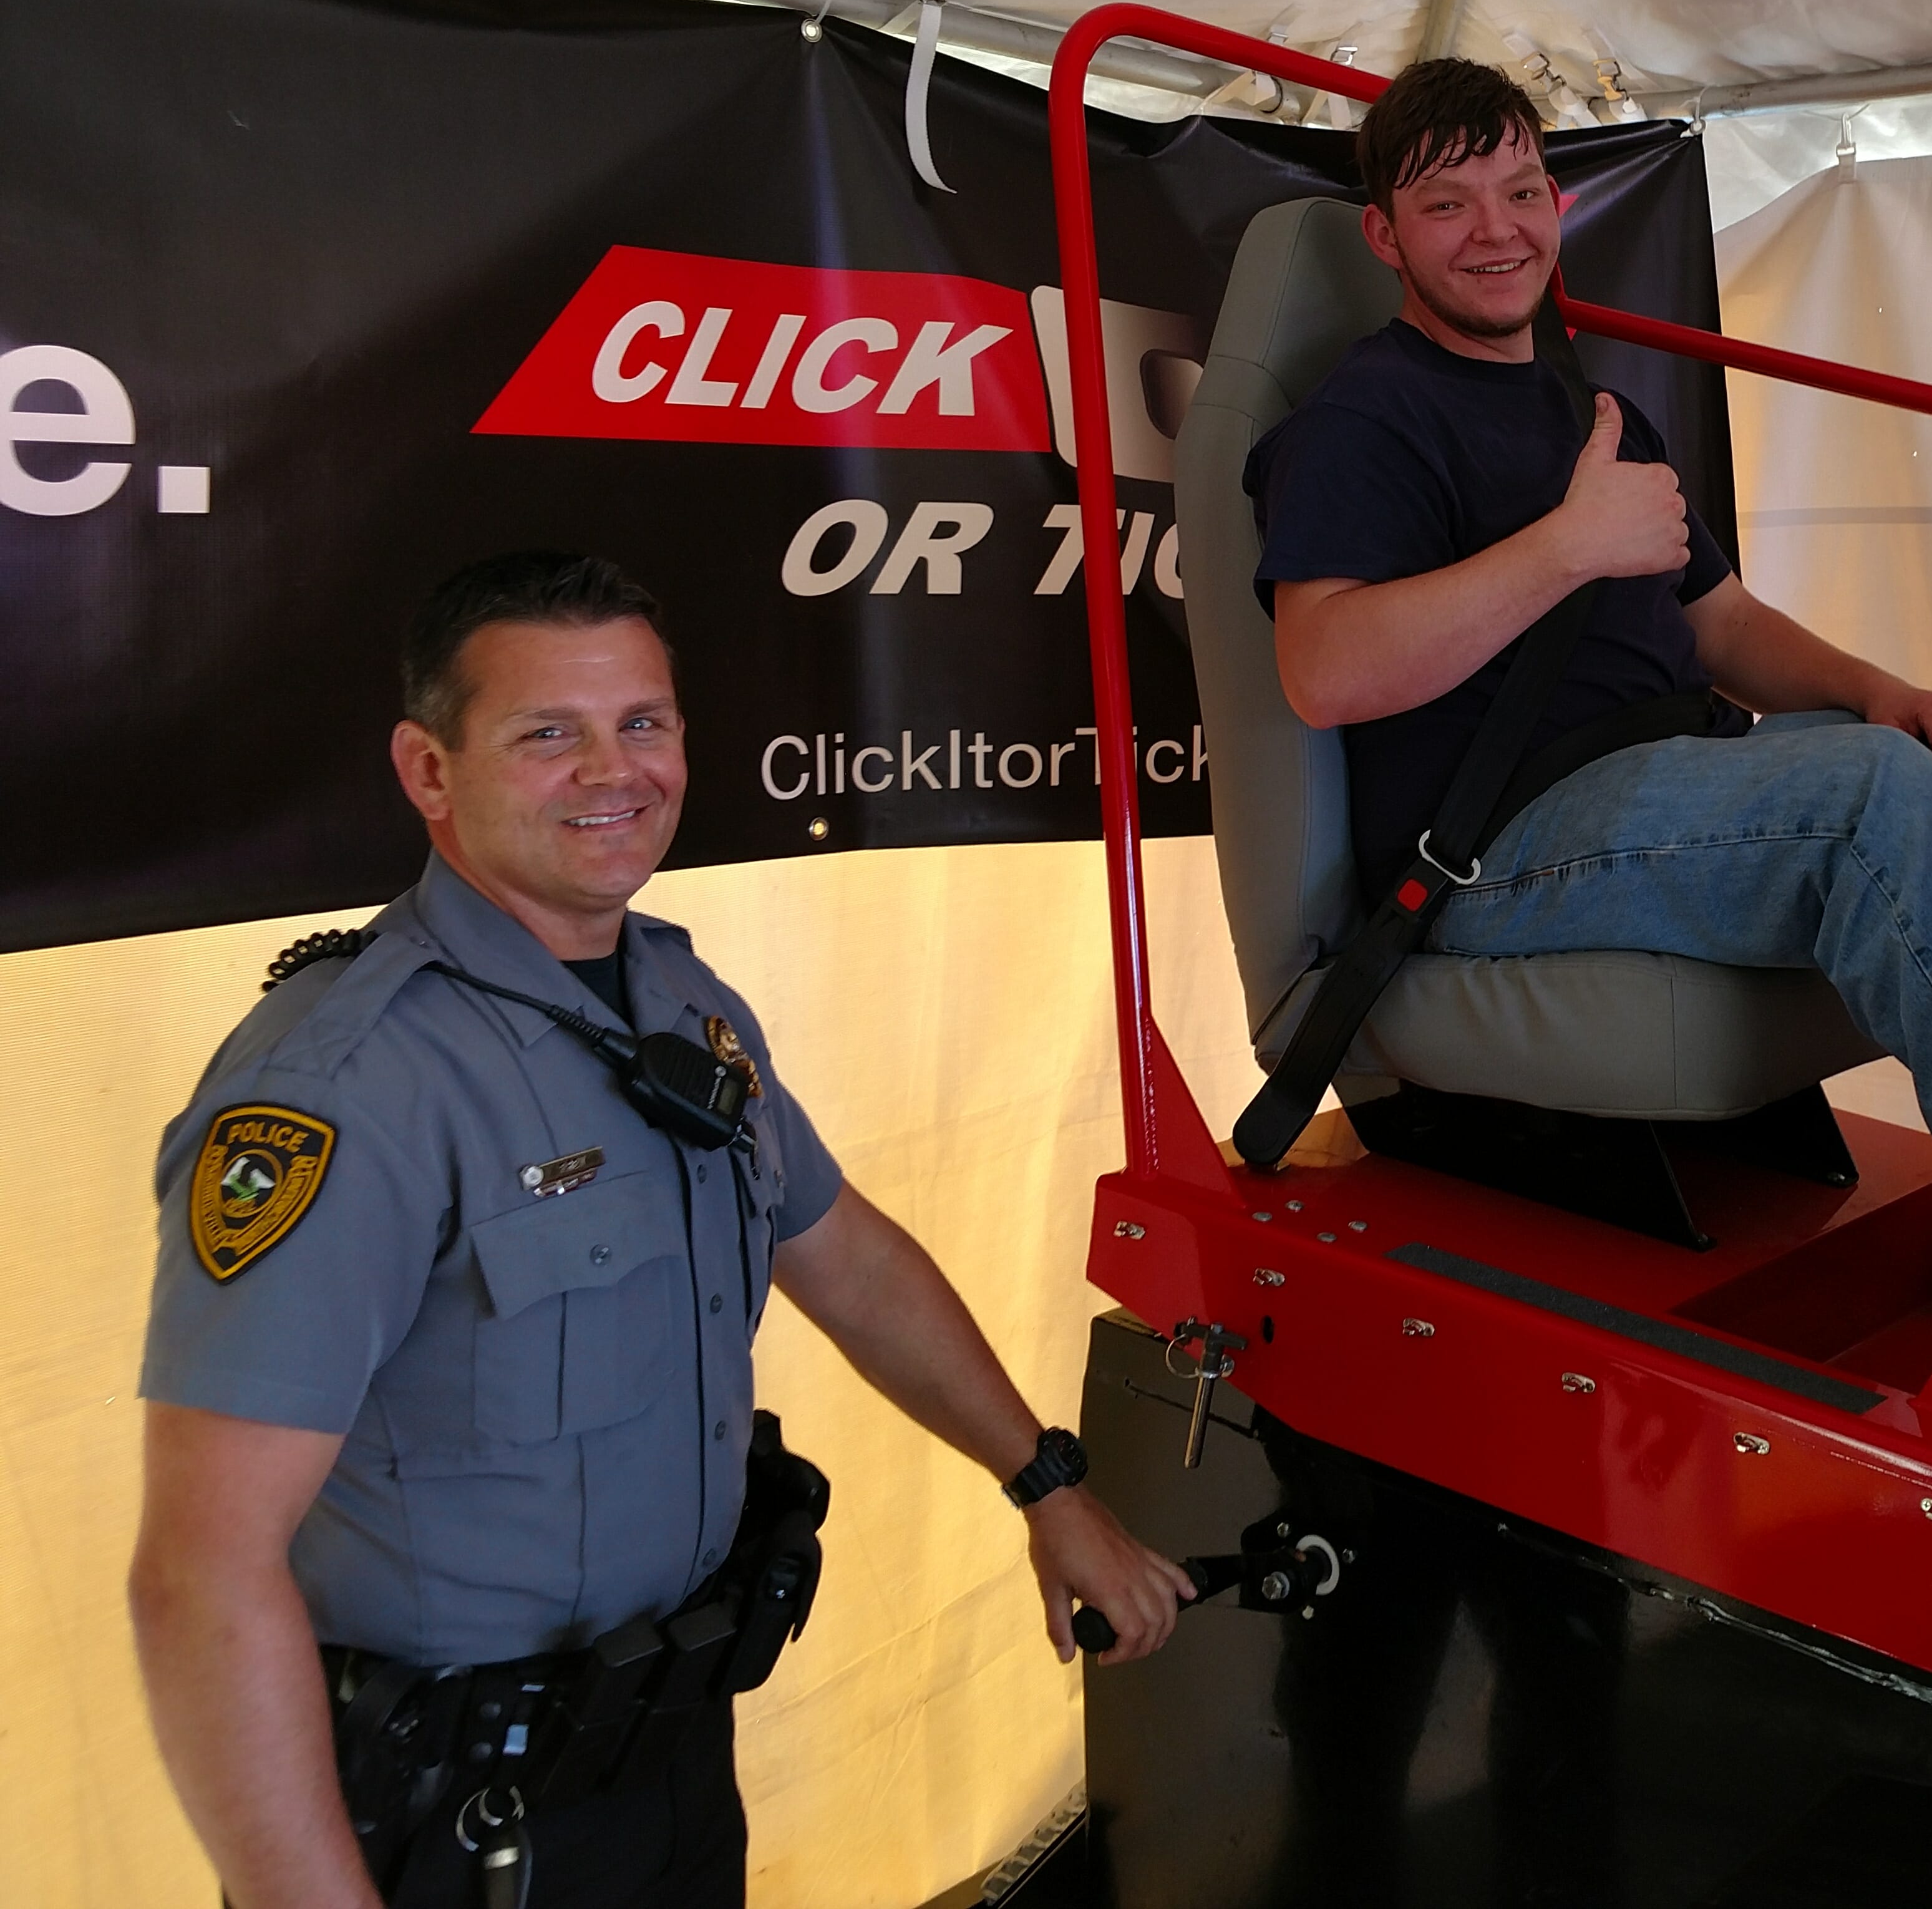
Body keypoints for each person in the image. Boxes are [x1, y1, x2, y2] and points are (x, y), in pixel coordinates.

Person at [129, 552, 1194, 1909]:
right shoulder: (344, 1088)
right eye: (547, 734)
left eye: (642, 722)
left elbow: (851, 1262)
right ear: (428, 770)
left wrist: (1049, 1489)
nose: (613, 771)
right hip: (449, 1821)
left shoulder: (684, 1009)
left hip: (670, 1764)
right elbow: (200, 1577)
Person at [1246, 56, 1932, 1229]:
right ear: (1386, 237)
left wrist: (1886, 693)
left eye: (1520, 191)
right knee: (1869, 797)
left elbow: (1725, 623)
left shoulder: (1591, 411)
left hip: (1683, 777)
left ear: (1557, 203)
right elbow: (1324, 671)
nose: (1495, 230)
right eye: (1446, 204)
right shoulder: (1364, 419)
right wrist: (1566, 547)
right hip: (1495, 848)